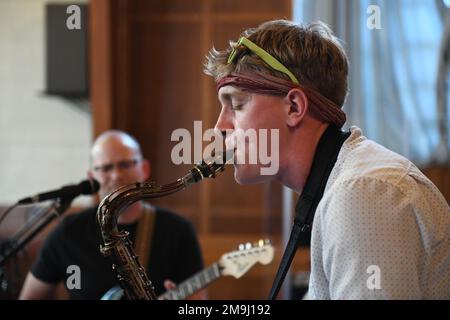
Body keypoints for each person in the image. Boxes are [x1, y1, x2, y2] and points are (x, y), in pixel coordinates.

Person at [204, 19, 450, 299]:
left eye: (237, 105)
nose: (219, 127)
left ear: (294, 107)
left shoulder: (362, 192)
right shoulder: (346, 185)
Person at [19, 130, 205, 300]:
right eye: (106, 168)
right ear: (92, 177)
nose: (116, 175)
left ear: (144, 169)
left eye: (125, 164)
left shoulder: (177, 229)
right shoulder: (68, 232)